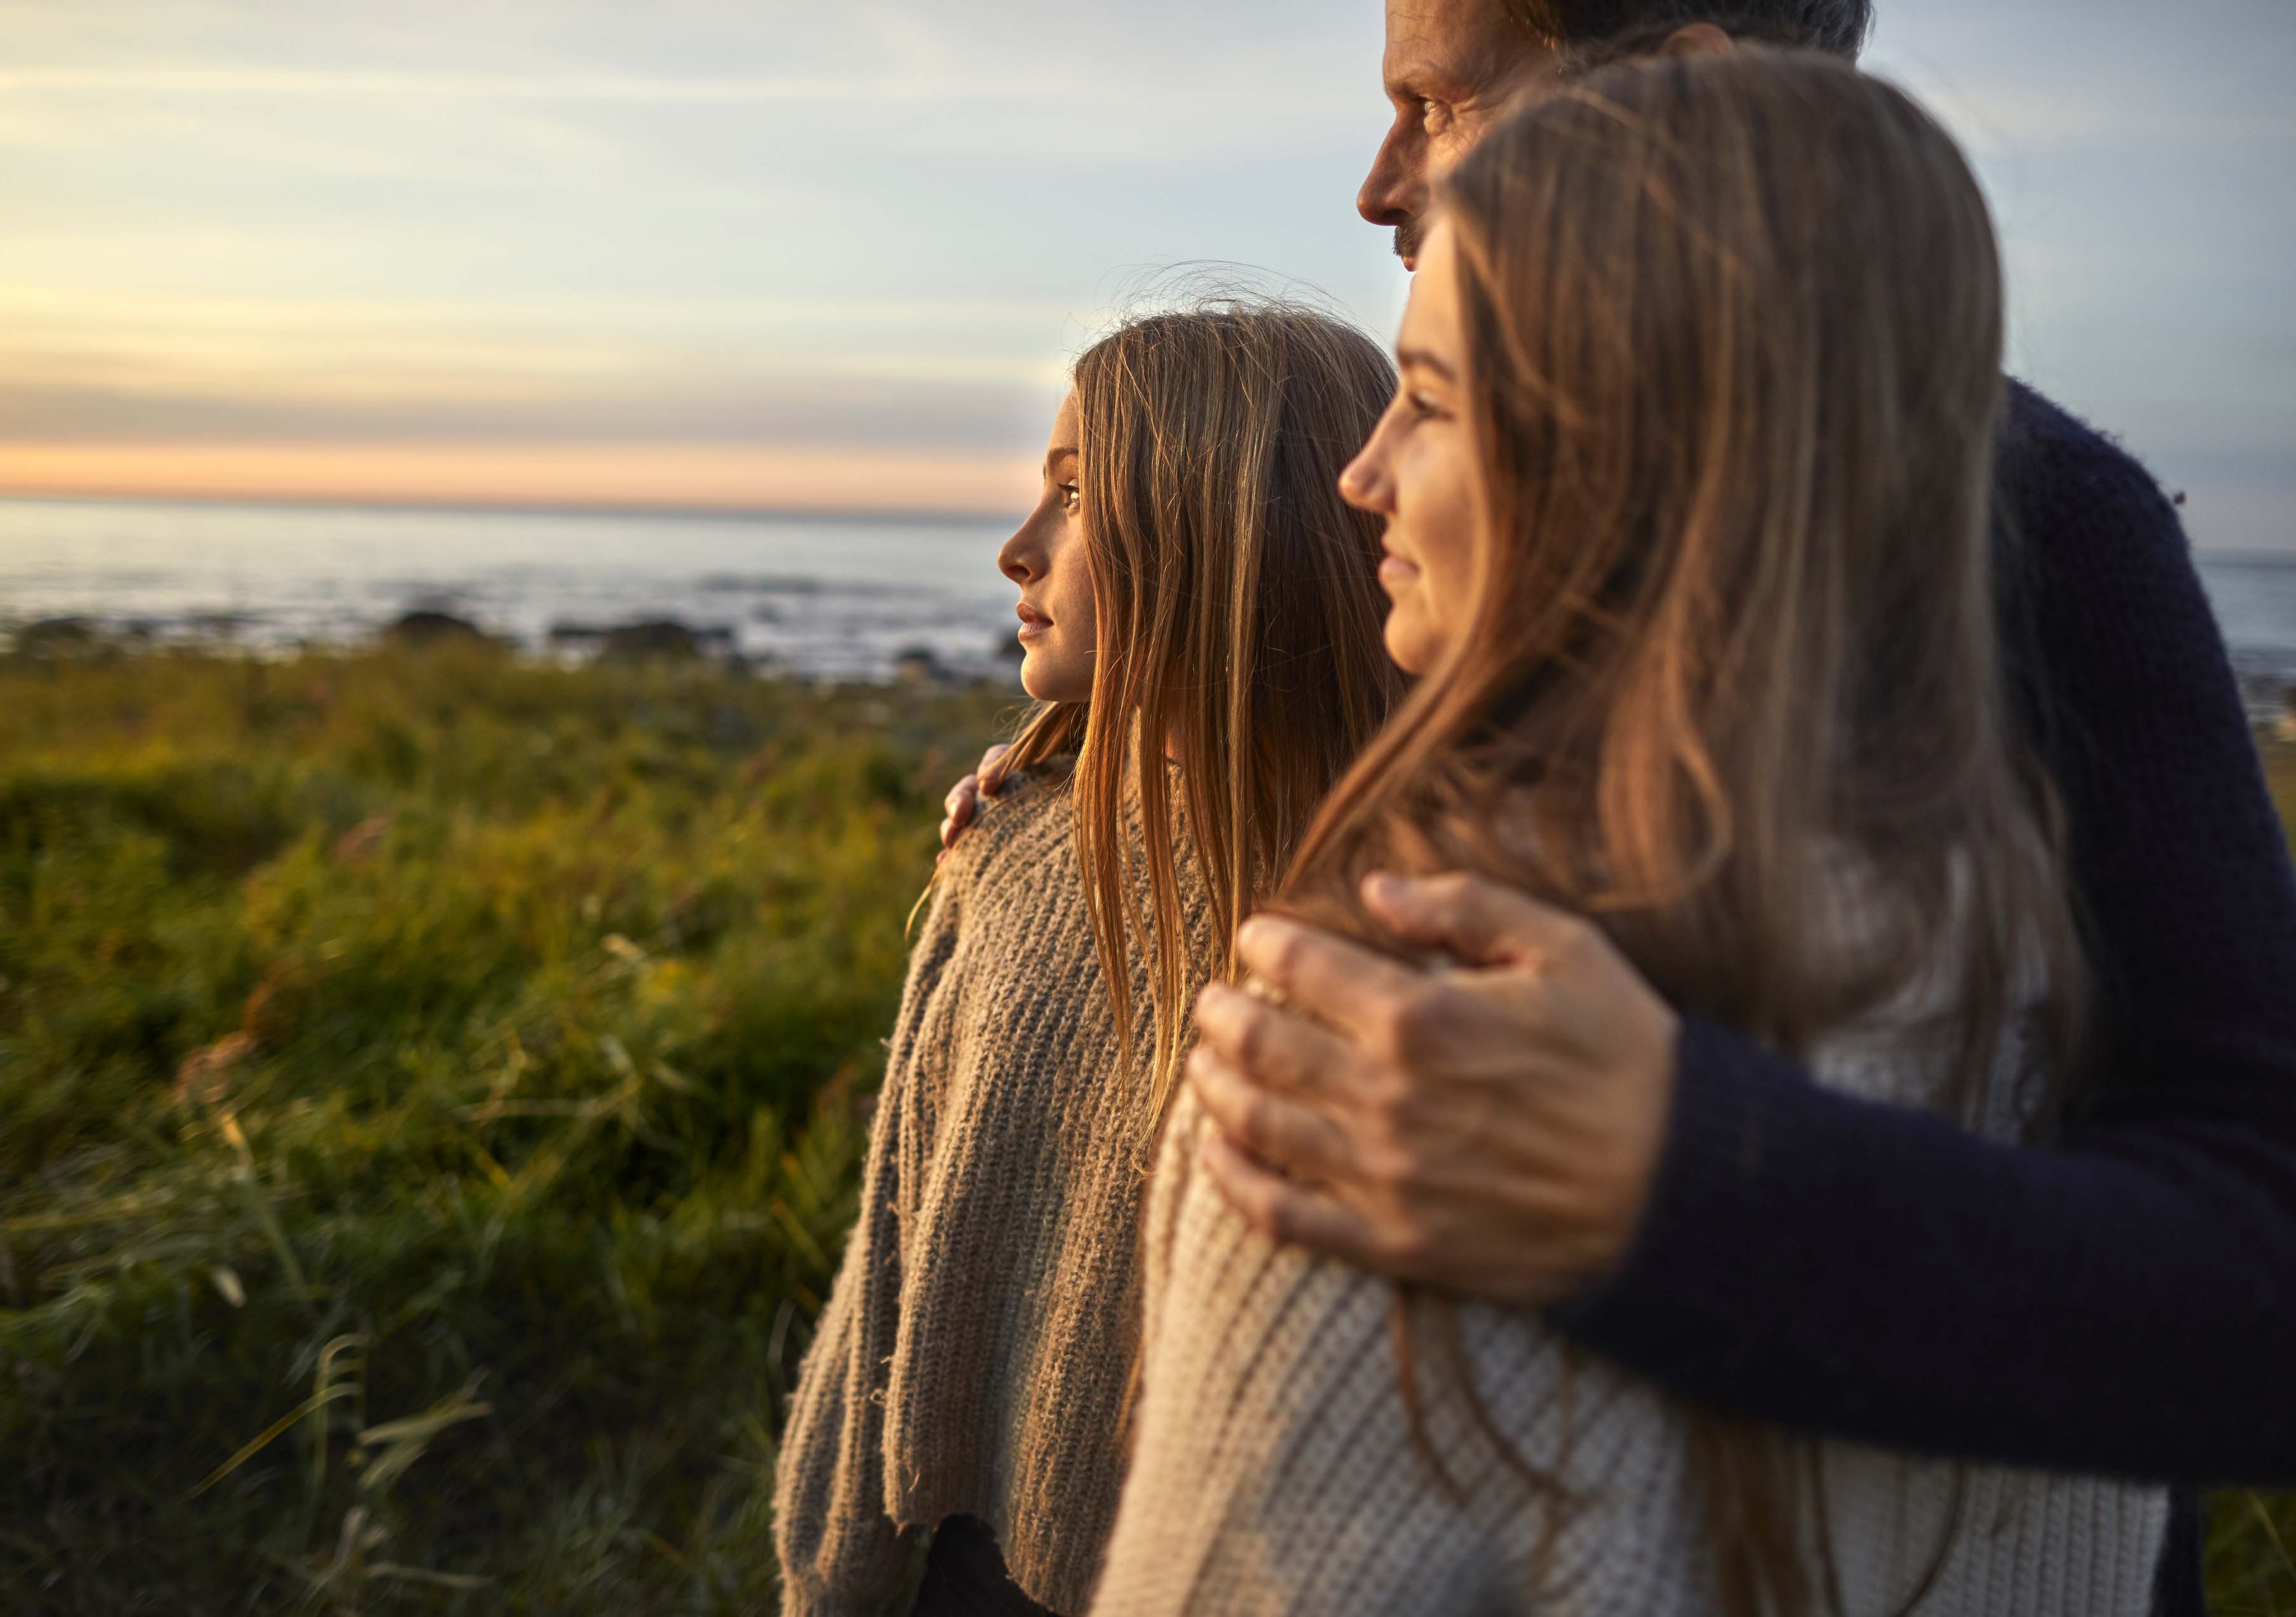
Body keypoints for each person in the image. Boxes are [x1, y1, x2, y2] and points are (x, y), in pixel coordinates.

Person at [940, 3, 2296, 1606]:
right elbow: (1345, 701)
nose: (1377, 182)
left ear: (1690, 94)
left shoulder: (2034, 515)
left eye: (1436, 105)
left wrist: (1676, 1173)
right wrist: (1074, 769)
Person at [771, 301, 1402, 1617]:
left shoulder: (1404, 921)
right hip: (948, 1547)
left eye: (1075, 494)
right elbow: (905, 1227)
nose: (1017, 551)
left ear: (1230, 530)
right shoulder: (1016, 847)